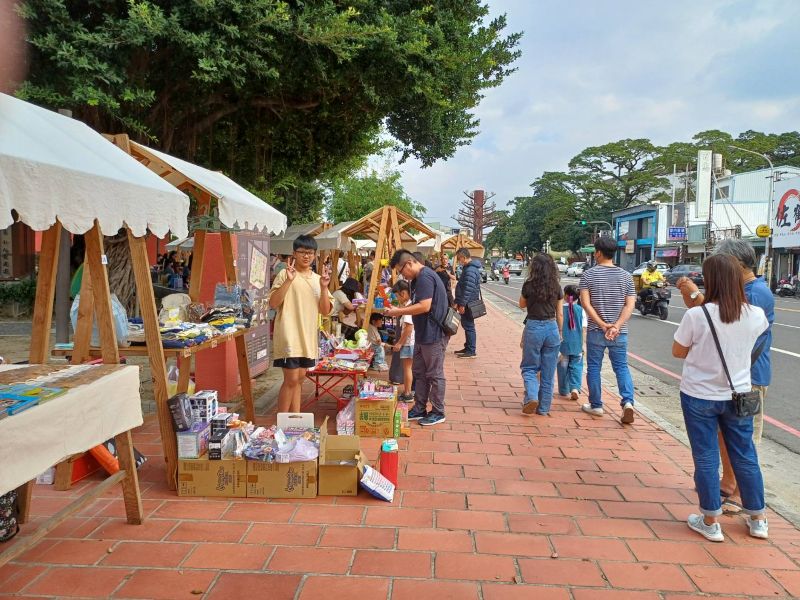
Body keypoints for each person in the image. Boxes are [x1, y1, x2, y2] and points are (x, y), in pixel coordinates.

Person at [672, 254, 769, 541]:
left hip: (699, 395)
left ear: (710, 280)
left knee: (706, 456)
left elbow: (678, 351)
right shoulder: (755, 315)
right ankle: (758, 519)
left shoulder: (697, 315)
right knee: (745, 454)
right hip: (739, 394)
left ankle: (710, 520)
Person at [268, 235, 333, 412]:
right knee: (291, 380)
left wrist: (324, 288)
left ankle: (295, 418)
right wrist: (289, 280)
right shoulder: (284, 274)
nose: (306, 256)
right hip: (288, 335)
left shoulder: (319, 279)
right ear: (294, 253)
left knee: (300, 379)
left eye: (310, 253)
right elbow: (273, 303)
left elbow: (325, 310)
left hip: (307, 337)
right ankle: (281, 422)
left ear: (315, 255)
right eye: (302, 252)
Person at [384, 250, 448, 426]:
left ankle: (438, 411)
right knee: (420, 372)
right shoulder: (417, 280)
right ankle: (420, 407)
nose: (402, 276)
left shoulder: (425, 277)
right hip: (422, 334)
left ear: (409, 264)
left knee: (434, 374)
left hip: (433, 334)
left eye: (401, 271)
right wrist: (399, 309)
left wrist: (399, 311)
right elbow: (416, 303)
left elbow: (425, 306)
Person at [579, 236, 637, 423]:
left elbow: (586, 304)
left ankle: (596, 405)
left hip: (596, 330)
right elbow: (629, 305)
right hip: (619, 332)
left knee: (594, 368)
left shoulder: (588, 275)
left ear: (598, 253)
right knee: (621, 367)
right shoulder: (626, 276)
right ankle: (628, 402)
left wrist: (602, 324)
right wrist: (616, 325)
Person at [518, 253, 563, 415]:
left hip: (534, 327)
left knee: (529, 367)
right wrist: (560, 331)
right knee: (548, 372)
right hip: (552, 328)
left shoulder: (529, 285)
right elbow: (560, 314)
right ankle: (543, 409)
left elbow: (521, 304)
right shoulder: (556, 286)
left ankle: (531, 396)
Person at [557, 284, 586, 401]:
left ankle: (563, 390)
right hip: (577, 344)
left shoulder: (559, 309)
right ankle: (574, 388)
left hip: (563, 344)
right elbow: (583, 329)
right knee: (577, 366)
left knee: (562, 367)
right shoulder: (581, 310)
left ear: (565, 295)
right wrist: (583, 345)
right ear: (577, 297)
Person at [454, 248, 482, 359]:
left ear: (463, 257)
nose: (459, 261)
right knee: (467, 325)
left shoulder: (470, 270)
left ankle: (471, 350)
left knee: (469, 326)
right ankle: (468, 347)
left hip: (468, 303)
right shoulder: (469, 268)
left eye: (459, 258)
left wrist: (462, 304)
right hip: (468, 302)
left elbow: (467, 289)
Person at [391, 279, 415, 401]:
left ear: (403, 293)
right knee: (409, 368)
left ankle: (407, 393)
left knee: (407, 368)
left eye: (397, 296)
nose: (397, 299)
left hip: (408, 343)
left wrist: (400, 343)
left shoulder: (408, 309)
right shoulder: (409, 305)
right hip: (410, 342)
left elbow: (409, 328)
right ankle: (409, 390)